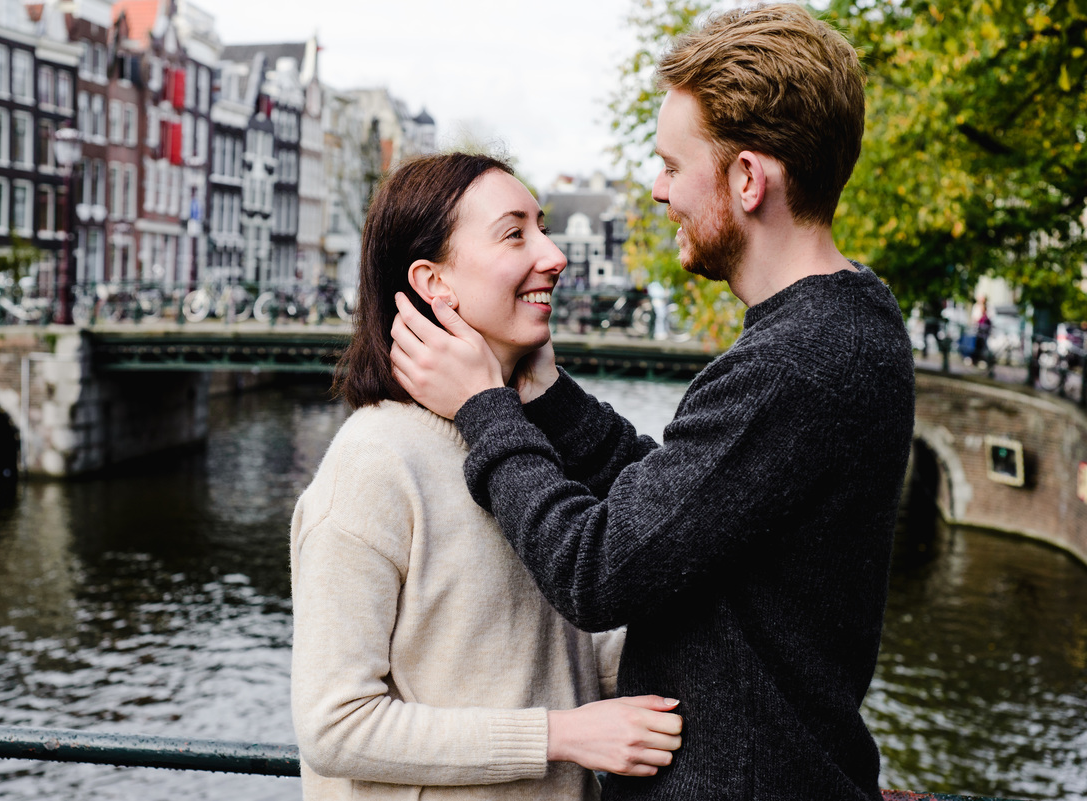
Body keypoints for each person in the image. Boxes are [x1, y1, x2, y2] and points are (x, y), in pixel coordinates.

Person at [390, 5, 916, 801]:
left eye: (673, 163)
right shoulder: (850, 322)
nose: (658, 187)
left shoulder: (794, 362)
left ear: (747, 179)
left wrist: (482, 407)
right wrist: (551, 398)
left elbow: (598, 570)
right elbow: (688, 509)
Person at [290, 152, 683, 801]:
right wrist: (559, 735)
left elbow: (537, 657)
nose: (554, 255)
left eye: (544, 227)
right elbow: (334, 725)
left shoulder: (523, 443)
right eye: (515, 233)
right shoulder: (375, 462)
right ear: (433, 282)